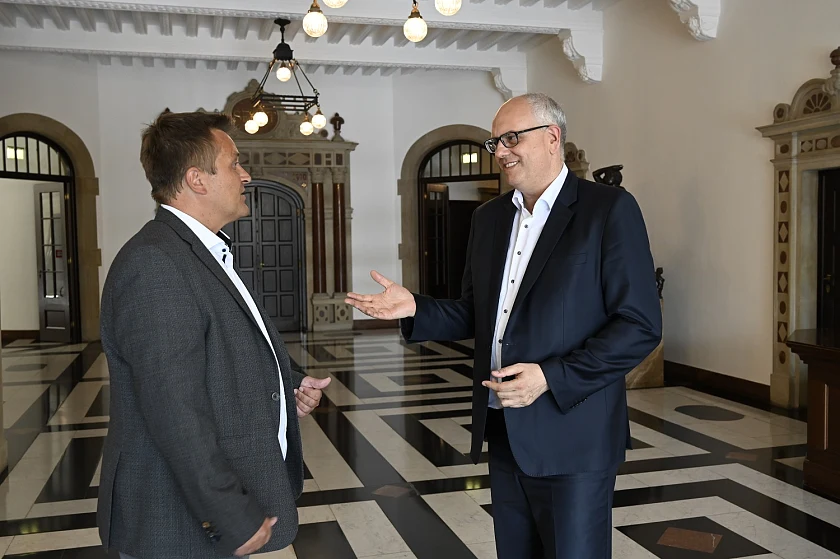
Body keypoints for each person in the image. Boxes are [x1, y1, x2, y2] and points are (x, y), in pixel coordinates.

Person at [346, 93, 661, 558]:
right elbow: (479, 313)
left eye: (512, 138)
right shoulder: (489, 218)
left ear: (552, 138)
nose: (500, 151)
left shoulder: (607, 209)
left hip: (574, 433)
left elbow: (639, 325)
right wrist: (416, 307)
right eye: (496, 141)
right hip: (504, 426)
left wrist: (550, 377)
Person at [97, 111, 330, 558]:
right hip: (173, 522)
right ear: (196, 179)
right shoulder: (156, 264)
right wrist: (230, 514)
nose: (246, 174)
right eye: (234, 164)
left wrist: (289, 381)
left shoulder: (199, 249)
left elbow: (221, 346)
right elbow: (173, 405)